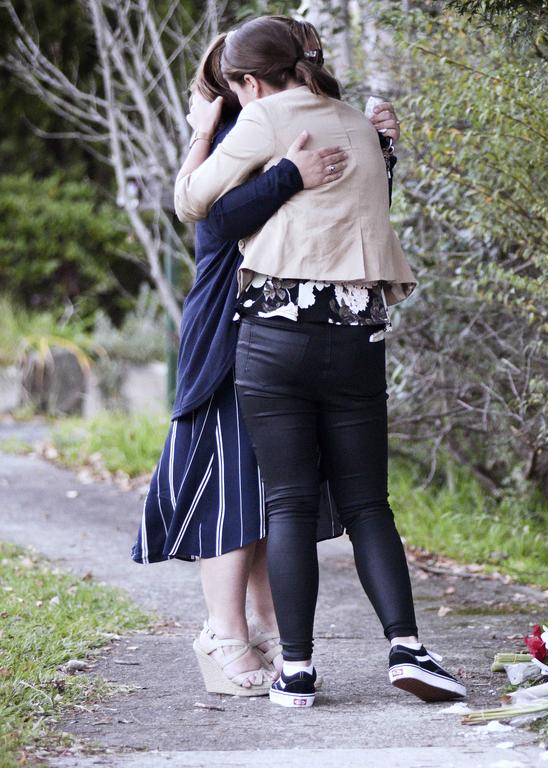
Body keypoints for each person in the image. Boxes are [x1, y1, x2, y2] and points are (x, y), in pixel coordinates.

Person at [174, 15, 465, 708]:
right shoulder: (361, 125)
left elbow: (194, 204)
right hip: (359, 338)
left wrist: (202, 132)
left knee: (289, 505)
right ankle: (407, 646)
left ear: (249, 80)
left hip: (275, 340)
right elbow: (367, 212)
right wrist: (382, 149)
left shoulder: (267, 116)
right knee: (368, 504)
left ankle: (296, 669)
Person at [134, 27, 401, 698]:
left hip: (286, 325)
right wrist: (286, 174)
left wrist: (380, 152)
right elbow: (213, 222)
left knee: (269, 487)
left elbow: (344, 227)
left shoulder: (303, 119)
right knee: (230, 485)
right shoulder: (244, 126)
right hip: (233, 321)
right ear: (241, 82)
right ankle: (223, 633)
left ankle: (259, 630)